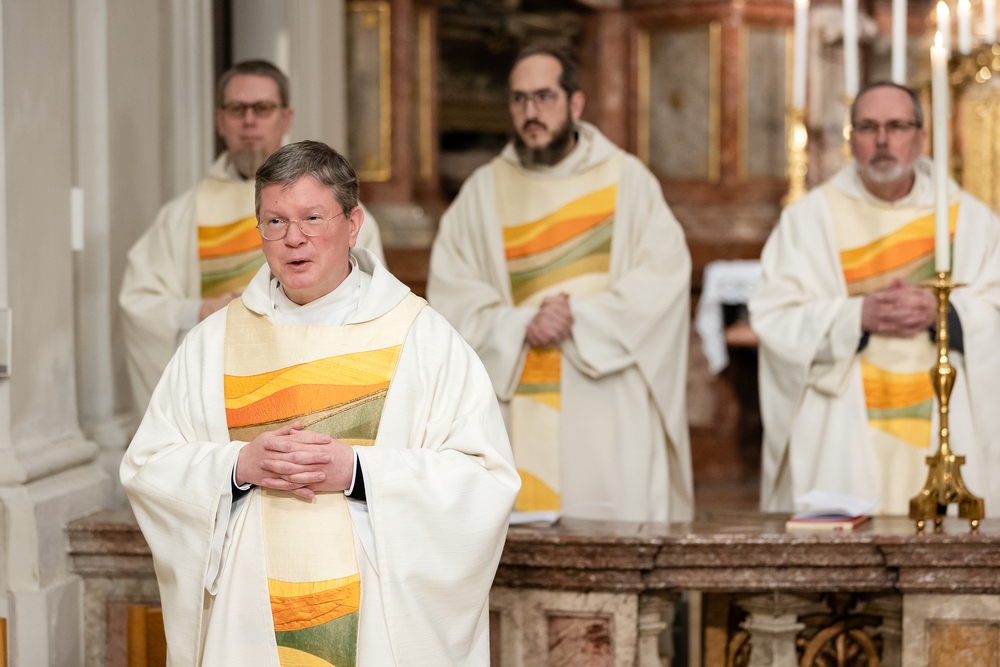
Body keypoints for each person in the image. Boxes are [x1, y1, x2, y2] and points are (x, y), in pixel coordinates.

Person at [121, 140, 519, 666]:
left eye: (312, 217)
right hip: (248, 621)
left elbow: (485, 480)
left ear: (353, 224)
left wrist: (357, 472)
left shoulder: (422, 339)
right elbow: (149, 465)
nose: (293, 238)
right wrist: (237, 466)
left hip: (373, 622)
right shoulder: (212, 343)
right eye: (275, 221)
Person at [427, 46, 693, 522]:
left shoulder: (628, 180)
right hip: (514, 400)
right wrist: (520, 325)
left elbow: (664, 277)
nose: (531, 112)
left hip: (605, 399)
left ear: (576, 103)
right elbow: (452, 294)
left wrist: (579, 317)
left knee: (611, 543)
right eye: (519, 99)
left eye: (544, 97)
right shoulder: (482, 192)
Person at [750, 82, 1000, 515]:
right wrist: (856, 316)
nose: (882, 140)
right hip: (842, 431)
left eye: (896, 126)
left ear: (920, 137)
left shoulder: (971, 219)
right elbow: (775, 317)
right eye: (868, 127)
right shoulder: (809, 220)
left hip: (946, 421)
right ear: (851, 139)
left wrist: (944, 312)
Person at [120, 60, 385, 412]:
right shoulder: (182, 216)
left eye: (262, 108)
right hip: (223, 388)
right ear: (220, 121)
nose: (249, 120)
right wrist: (200, 312)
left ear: (286, 118)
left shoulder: (337, 212)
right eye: (236, 109)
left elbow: (369, 302)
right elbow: (140, 303)